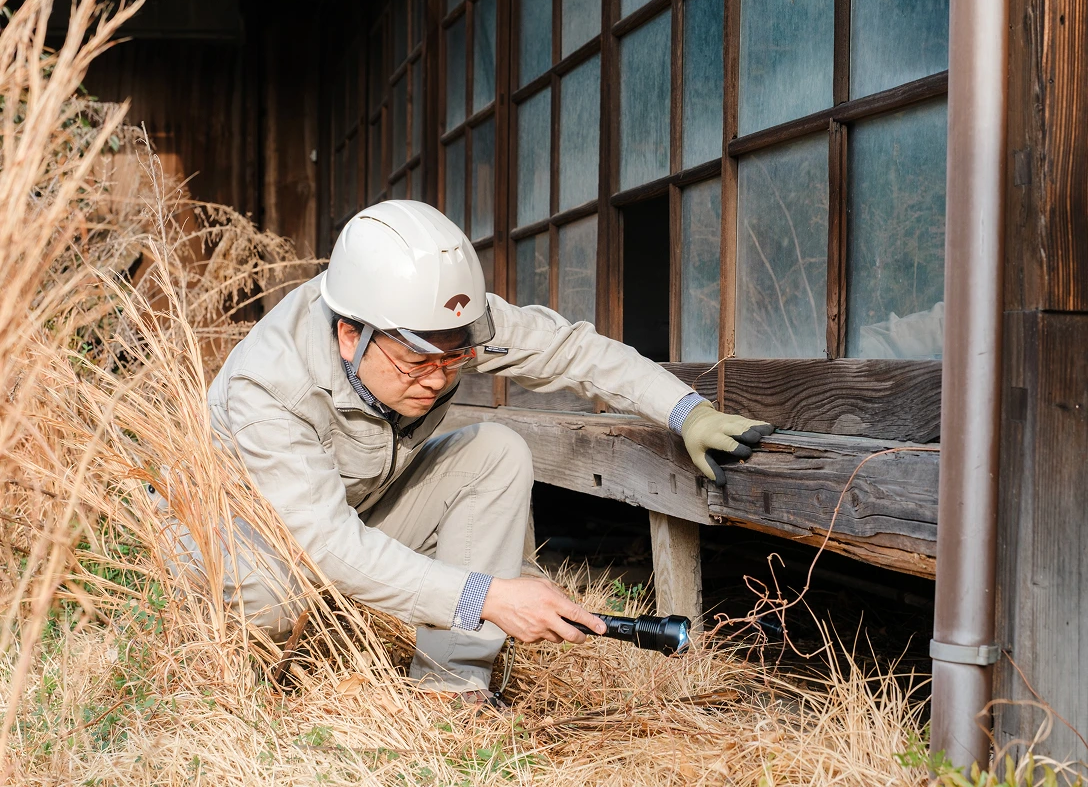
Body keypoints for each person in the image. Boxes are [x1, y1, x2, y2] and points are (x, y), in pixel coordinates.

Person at [203, 200, 772, 700]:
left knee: (495, 452)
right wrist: (488, 597)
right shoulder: (271, 386)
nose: (436, 379)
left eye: (451, 361)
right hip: (253, 541)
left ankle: (451, 685)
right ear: (352, 334)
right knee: (268, 601)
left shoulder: (443, 325)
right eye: (416, 363)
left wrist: (684, 410)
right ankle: (255, 671)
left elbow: (566, 350)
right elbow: (327, 545)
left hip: (357, 512)